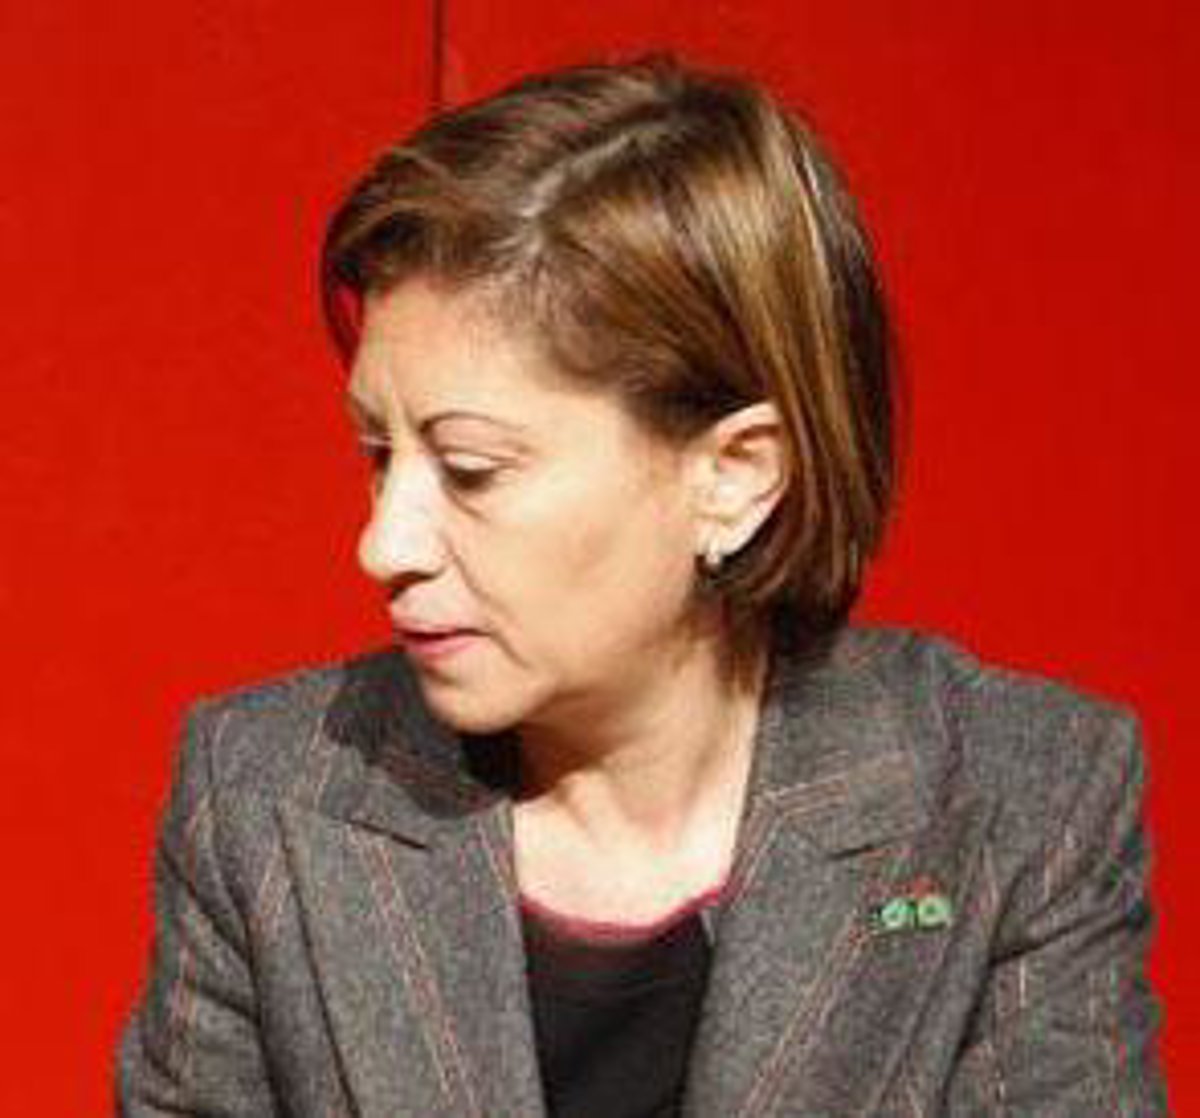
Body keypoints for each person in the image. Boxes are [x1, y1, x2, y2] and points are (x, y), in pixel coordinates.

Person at [116, 54, 1167, 1116]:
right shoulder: (263, 794)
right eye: (378, 454)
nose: (384, 543)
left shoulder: (1013, 799)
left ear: (735, 476)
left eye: (471, 468)